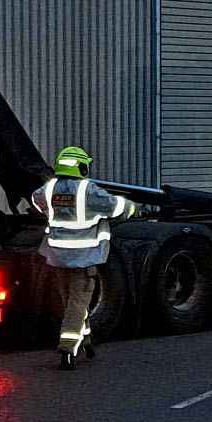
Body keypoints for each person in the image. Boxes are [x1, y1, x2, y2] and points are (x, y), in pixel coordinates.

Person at [31, 146, 137, 370]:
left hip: (58, 257)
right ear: (81, 167)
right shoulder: (89, 191)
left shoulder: (49, 189)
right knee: (77, 303)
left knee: (71, 302)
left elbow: (35, 200)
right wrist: (132, 208)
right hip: (83, 258)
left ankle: (86, 341)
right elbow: (115, 207)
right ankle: (68, 349)